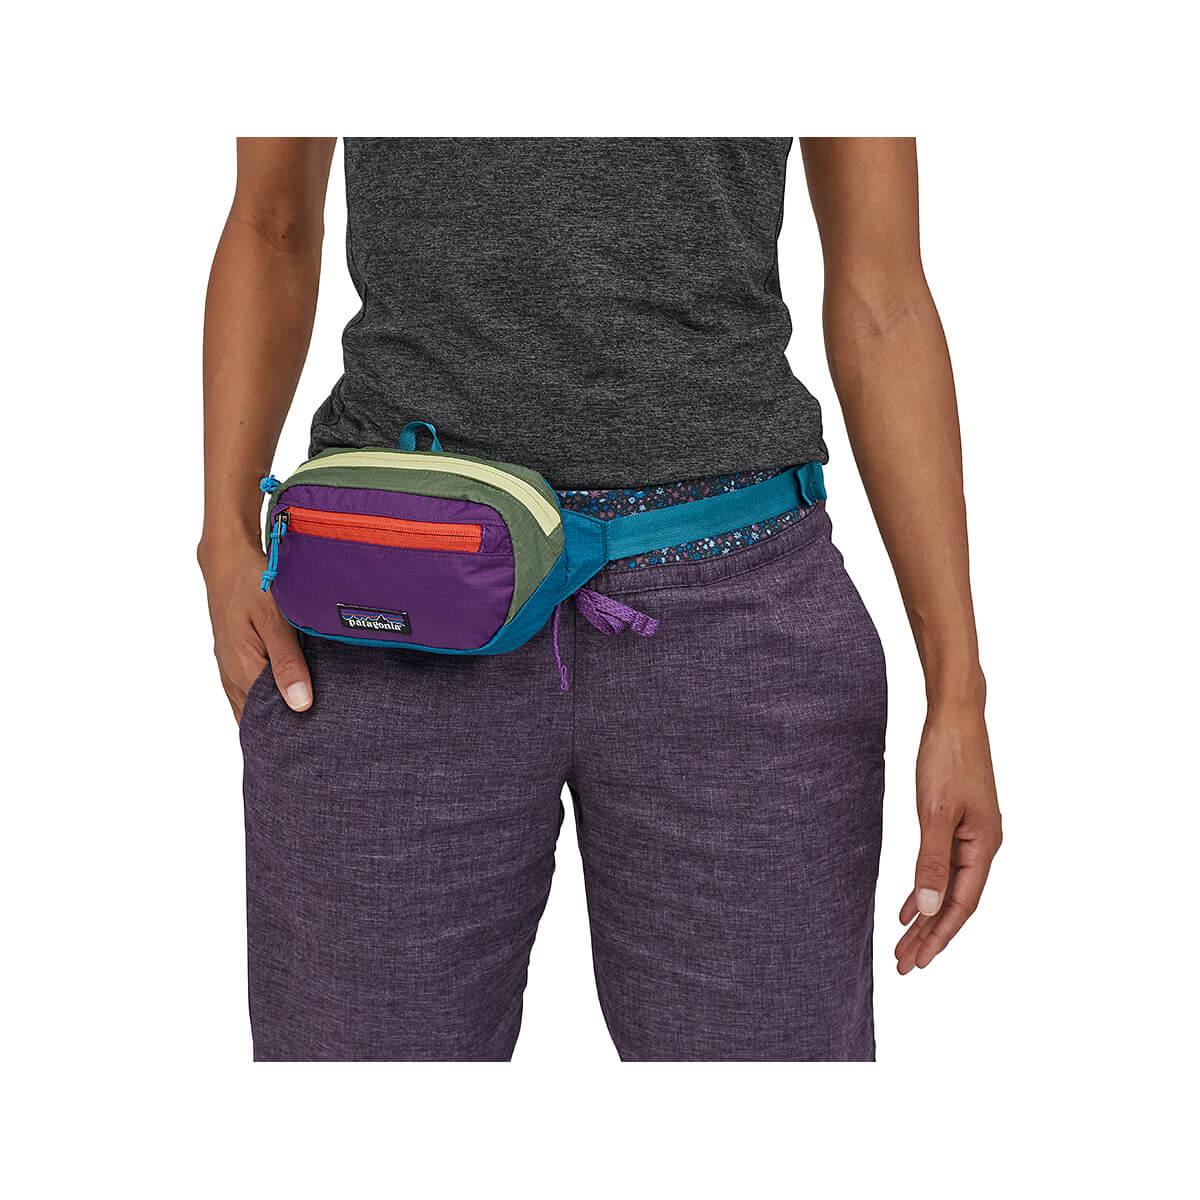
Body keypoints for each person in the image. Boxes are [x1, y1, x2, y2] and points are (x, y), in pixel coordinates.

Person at [200, 137, 1001, 1061]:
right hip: (395, 609)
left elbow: (883, 298)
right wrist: (226, 540)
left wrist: (959, 692)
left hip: (738, 617)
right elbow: (271, 222)